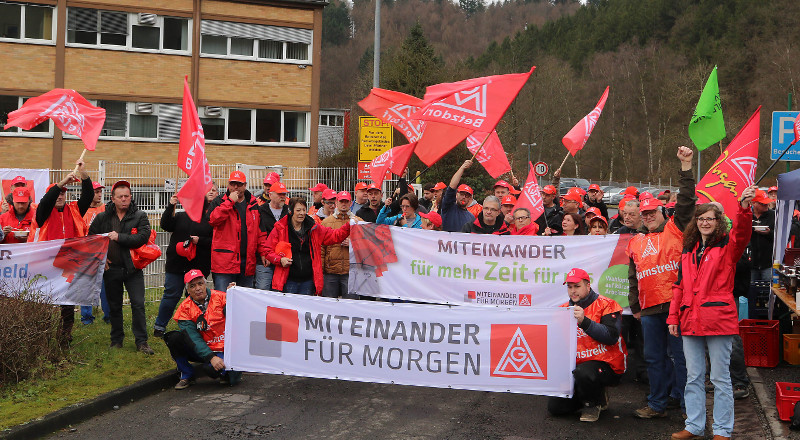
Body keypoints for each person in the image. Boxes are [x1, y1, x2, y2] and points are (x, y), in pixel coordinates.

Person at [667, 186, 755, 440]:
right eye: (701, 218)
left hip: (718, 320)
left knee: (719, 378)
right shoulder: (689, 249)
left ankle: (723, 430)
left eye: (710, 218)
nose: (705, 222)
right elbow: (679, 286)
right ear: (697, 222)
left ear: (719, 222)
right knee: (693, 377)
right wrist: (673, 317)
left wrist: (744, 208)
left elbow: (742, 232)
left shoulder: (728, 248)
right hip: (690, 319)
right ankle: (694, 426)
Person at [627, 146, 696, 419]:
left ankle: (685, 404)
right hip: (649, 310)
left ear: (661, 211)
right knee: (654, 358)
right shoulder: (635, 241)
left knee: (681, 359)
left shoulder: (675, 227)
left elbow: (688, 201)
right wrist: (634, 306)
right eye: (644, 214)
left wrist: (686, 167)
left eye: (651, 212)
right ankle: (657, 403)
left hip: (675, 306)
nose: (647, 216)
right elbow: (632, 276)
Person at [548, 268, 627, 422]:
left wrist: (584, 322)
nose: (573, 291)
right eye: (569, 287)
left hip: (608, 365)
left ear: (588, 286)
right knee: (556, 408)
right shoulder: (563, 310)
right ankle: (593, 395)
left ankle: (593, 404)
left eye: (577, 286)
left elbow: (611, 337)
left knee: (585, 372)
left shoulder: (607, 304)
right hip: (578, 368)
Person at [29, 162, 93, 347]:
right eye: (57, 193)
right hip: (47, 265)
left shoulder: (74, 210)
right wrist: (61, 183)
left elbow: (88, 196)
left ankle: (65, 335)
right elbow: (46, 201)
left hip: (68, 265)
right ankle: (43, 335)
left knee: (67, 303)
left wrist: (83, 174)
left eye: (63, 193)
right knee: (46, 302)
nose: (60, 196)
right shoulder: (43, 213)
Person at [88, 180, 153, 354]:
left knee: (138, 304)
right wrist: (101, 259)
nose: (124, 199)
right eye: (120, 196)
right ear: (113, 198)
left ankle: (142, 342)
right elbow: (91, 239)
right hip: (112, 269)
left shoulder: (139, 215)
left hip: (133, 269)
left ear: (131, 197)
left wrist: (119, 237)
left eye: (127, 196)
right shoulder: (103, 217)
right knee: (114, 306)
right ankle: (116, 340)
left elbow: (143, 238)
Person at [153, 184, 217, 337]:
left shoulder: (210, 220)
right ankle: (159, 327)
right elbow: (165, 225)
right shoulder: (181, 216)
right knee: (171, 294)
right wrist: (170, 206)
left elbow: (215, 241)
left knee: (195, 298)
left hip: (198, 265)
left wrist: (199, 240)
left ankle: (195, 327)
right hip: (176, 264)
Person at [165, 269, 241, 390]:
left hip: (223, 347)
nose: (198, 288)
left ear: (206, 284)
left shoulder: (222, 297)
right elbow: (192, 338)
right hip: (201, 349)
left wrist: (235, 296)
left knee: (212, 370)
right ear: (188, 290)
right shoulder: (184, 308)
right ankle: (186, 374)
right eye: (192, 286)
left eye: (200, 283)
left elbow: (238, 318)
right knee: (174, 338)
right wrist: (211, 357)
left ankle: (226, 372)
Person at [264, 197, 351, 295]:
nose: (301, 213)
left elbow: (335, 236)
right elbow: (267, 250)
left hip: (308, 281)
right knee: (290, 309)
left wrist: (348, 226)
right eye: (298, 210)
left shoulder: (314, 228)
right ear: (291, 211)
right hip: (288, 280)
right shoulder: (280, 228)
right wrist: (280, 260)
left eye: (304, 210)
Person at [208, 171, 261, 291]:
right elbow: (213, 220)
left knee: (244, 302)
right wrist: (230, 202)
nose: (235, 187)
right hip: (225, 262)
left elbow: (259, 232)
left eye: (239, 184)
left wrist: (262, 253)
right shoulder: (219, 201)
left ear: (245, 185)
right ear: (228, 184)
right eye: (233, 184)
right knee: (222, 300)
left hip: (246, 262)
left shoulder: (253, 204)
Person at [320, 191, 361, 299]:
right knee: (329, 306)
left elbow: (365, 245)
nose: (344, 204)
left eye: (346, 201)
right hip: (330, 272)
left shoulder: (358, 222)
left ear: (351, 203)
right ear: (336, 203)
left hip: (350, 272)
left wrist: (352, 244)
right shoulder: (326, 222)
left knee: (351, 306)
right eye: (341, 201)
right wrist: (321, 269)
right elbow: (321, 248)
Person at [80, 181, 107, 324]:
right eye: (96, 192)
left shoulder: (105, 209)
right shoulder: (81, 210)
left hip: (103, 252)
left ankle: (108, 315)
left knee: (105, 284)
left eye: (100, 192)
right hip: (86, 253)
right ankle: (86, 317)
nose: (99, 194)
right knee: (85, 285)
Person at [255, 182, 289, 290]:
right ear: (270, 195)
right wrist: (264, 253)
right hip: (265, 260)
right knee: (263, 291)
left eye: (284, 194)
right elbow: (259, 234)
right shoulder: (261, 211)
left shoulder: (289, 212)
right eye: (280, 194)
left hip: (283, 259)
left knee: (280, 293)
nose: (283, 197)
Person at [441, 160, 476, 232]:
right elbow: (452, 186)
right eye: (462, 194)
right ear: (456, 194)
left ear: (470, 198)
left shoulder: (471, 217)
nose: (463, 197)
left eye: (467, 196)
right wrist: (462, 168)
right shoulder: (448, 207)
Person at [749, 190, 775, 282]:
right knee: (751, 291)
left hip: (768, 263)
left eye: (767, 203)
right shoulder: (747, 215)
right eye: (763, 204)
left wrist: (769, 233)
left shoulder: (774, 215)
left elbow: (782, 236)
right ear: (753, 203)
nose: (766, 205)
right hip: (750, 263)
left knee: (768, 292)